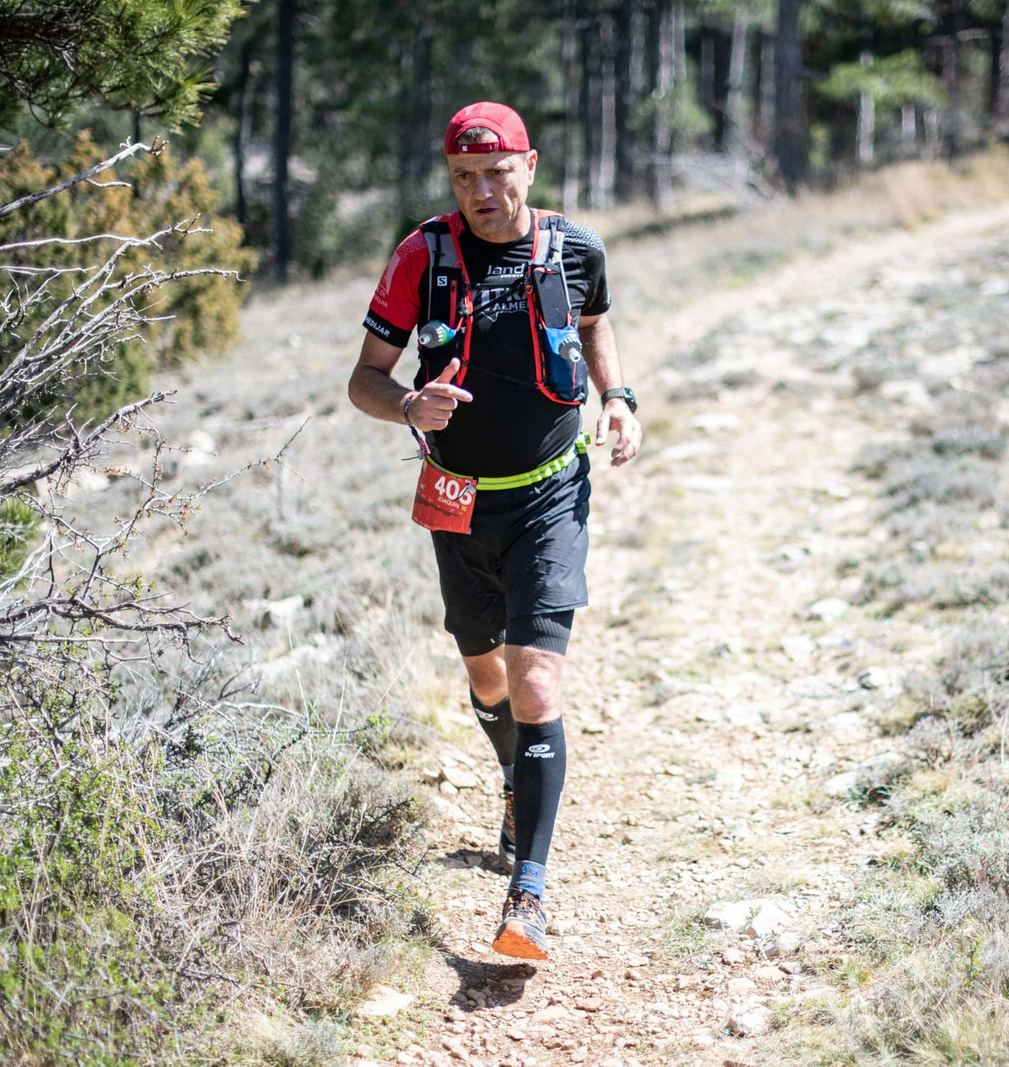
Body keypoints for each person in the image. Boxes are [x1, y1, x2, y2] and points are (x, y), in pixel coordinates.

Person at [347, 101, 642, 961]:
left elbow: (594, 321)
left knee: (535, 684)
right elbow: (364, 378)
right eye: (463, 177)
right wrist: (408, 402)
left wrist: (617, 398)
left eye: (496, 173)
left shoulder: (575, 248)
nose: (481, 191)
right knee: (486, 677)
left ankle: (529, 895)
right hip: (458, 498)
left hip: (551, 496)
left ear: (530, 166)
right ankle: (515, 777)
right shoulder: (422, 255)